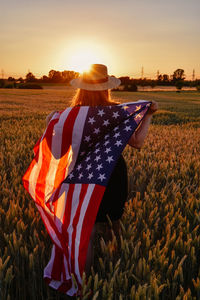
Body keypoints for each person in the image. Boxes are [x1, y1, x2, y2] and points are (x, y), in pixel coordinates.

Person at [46, 64, 158, 276]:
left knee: (85, 233)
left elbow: (57, 154)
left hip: (82, 178)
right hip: (112, 176)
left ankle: (85, 285)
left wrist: (49, 124)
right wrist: (149, 115)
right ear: (107, 87)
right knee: (113, 228)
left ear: (81, 88)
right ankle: (112, 279)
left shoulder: (71, 116)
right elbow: (137, 143)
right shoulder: (116, 113)